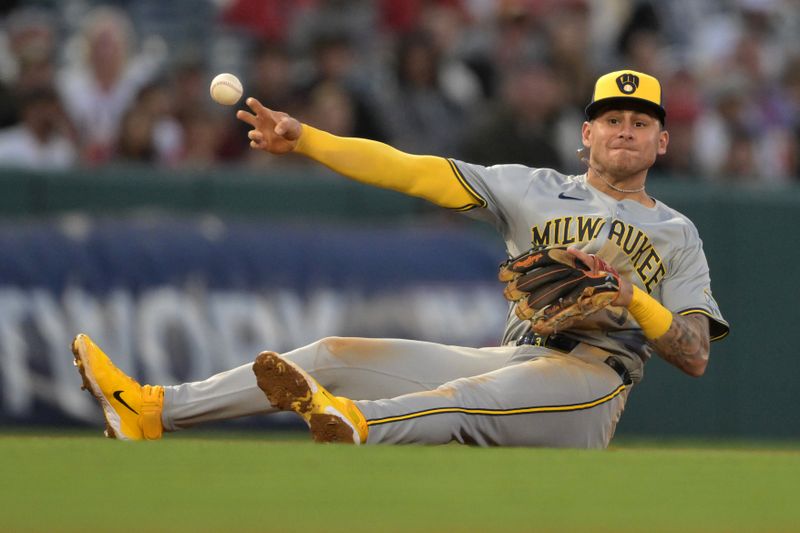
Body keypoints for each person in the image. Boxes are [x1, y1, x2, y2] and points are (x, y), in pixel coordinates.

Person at [72, 69, 729, 448]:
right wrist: (309, 140)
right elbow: (411, 171)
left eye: (640, 122)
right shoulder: (529, 188)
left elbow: (696, 354)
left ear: (662, 140)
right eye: (611, 118)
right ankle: (151, 408)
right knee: (335, 352)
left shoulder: (676, 231)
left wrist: (631, 296)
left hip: (592, 382)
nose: (624, 129)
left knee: (464, 397)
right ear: (586, 134)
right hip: (520, 354)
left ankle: (355, 422)